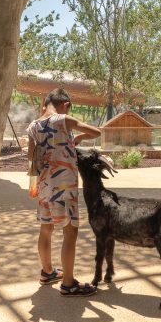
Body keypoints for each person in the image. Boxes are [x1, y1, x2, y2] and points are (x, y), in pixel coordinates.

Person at [27, 88, 101, 297]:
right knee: (70, 232)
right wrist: (78, 137)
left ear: (45, 104)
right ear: (66, 104)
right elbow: (97, 133)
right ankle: (68, 283)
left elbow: (31, 157)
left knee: (46, 229)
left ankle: (47, 271)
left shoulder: (33, 125)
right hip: (64, 186)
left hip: (44, 186)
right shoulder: (63, 119)